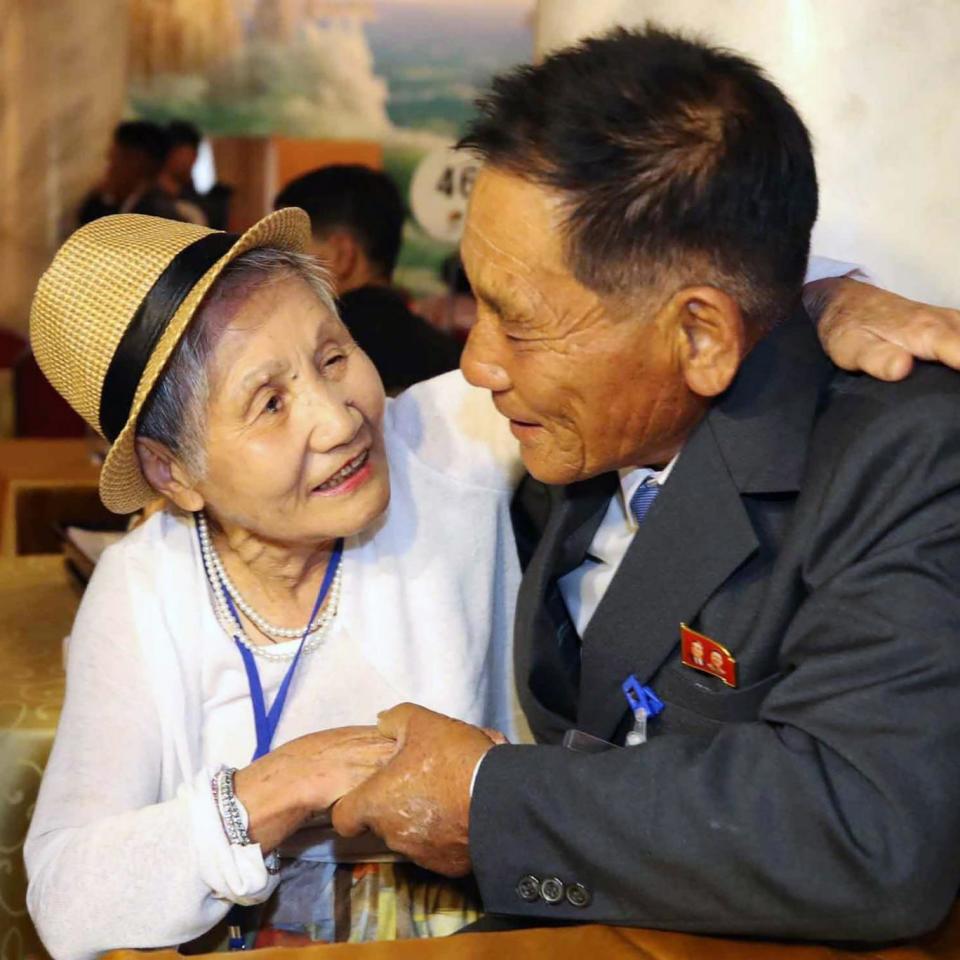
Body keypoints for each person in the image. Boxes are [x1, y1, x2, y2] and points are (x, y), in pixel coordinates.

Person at [331, 27, 960, 943]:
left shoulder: (903, 462)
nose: (477, 364)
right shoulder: (585, 423)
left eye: (520, 322)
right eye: (475, 305)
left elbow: (868, 831)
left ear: (700, 337)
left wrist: (485, 798)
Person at [24, 210, 521, 957]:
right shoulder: (144, 586)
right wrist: (282, 786)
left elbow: (593, 355)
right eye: (271, 403)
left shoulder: (448, 447)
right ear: (173, 472)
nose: (339, 420)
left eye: (332, 357)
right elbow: (66, 897)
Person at [274, 165, 462, 393]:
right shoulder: (450, 356)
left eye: (290, 253)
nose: (278, 269)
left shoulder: (313, 353)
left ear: (342, 254)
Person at [77, 120, 170, 225]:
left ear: (136, 161)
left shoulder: (155, 216)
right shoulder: (121, 204)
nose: (109, 171)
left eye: (113, 161)